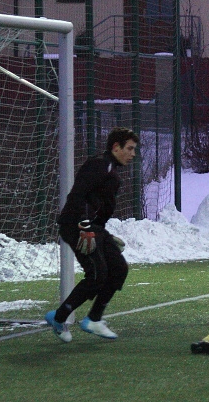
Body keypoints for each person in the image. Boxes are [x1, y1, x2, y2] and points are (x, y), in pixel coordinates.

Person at [45, 127, 139, 342]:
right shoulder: (99, 165)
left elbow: (99, 207)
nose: (133, 154)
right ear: (116, 147)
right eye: (130, 148)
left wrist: (102, 233)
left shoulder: (111, 172)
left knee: (119, 269)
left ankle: (94, 319)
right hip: (75, 226)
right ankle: (59, 318)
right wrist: (85, 227)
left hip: (91, 227)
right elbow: (78, 194)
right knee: (97, 274)